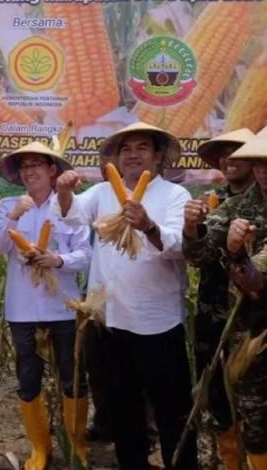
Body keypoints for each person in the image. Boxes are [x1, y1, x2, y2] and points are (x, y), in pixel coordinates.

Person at [52, 122, 196, 470]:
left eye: (142, 148)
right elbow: (71, 216)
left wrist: (147, 225)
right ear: (116, 158)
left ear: (158, 156)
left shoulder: (175, 196)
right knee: (123, 407)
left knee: (172, 409)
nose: (133, 155)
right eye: (126, 149)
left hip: (159, 322)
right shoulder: (102, 193)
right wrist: (64, 191)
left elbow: (178, 248)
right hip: (110, 320)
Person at [183, 122, 267, 470]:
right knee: (255, 421)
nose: (264, 170)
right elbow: (199, 256)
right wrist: (191, 229)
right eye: (257, 162)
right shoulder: (234, 208)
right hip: (248, 331)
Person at [0, 141, 92, 470]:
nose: (30, 170)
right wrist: (14, 217)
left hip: (63, 307)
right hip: (22, 310)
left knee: (71, 378)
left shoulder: (69, 206)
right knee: (28, 377)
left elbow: (85, 255)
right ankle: (39, 448)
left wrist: (57, 259)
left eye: (37, 164)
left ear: (52, 171)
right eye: (24, 166)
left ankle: (76, 445)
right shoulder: (8, 205)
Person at [183, 128, 255, 470]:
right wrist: (192, 229)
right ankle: (228, 459)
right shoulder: (213, 202)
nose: (229, 158)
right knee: (216, 395)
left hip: (255, 318)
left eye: (237, 151)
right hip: (213, 314)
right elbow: (198, 258)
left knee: (258, 400)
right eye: (224, 153)